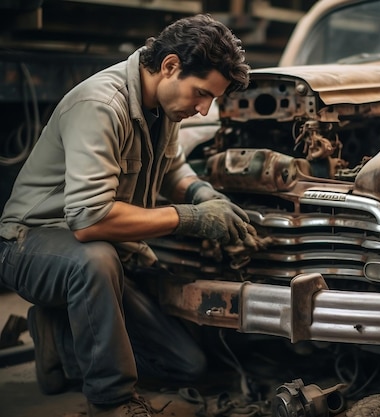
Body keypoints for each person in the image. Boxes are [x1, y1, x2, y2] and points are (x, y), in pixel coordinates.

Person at [0, 14, 254, 417]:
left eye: (212, 100)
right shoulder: (101, 104)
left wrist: (206, 196)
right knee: (93, 261)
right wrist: (191, 218)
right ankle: (111, 401)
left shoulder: (164, 107)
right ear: (170, 66)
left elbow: (173, 168)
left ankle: (59, 342)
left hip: (108, 250)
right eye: (202, 93)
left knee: (187, 365)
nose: (204, 110)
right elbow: (89, 220)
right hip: (30, 245)